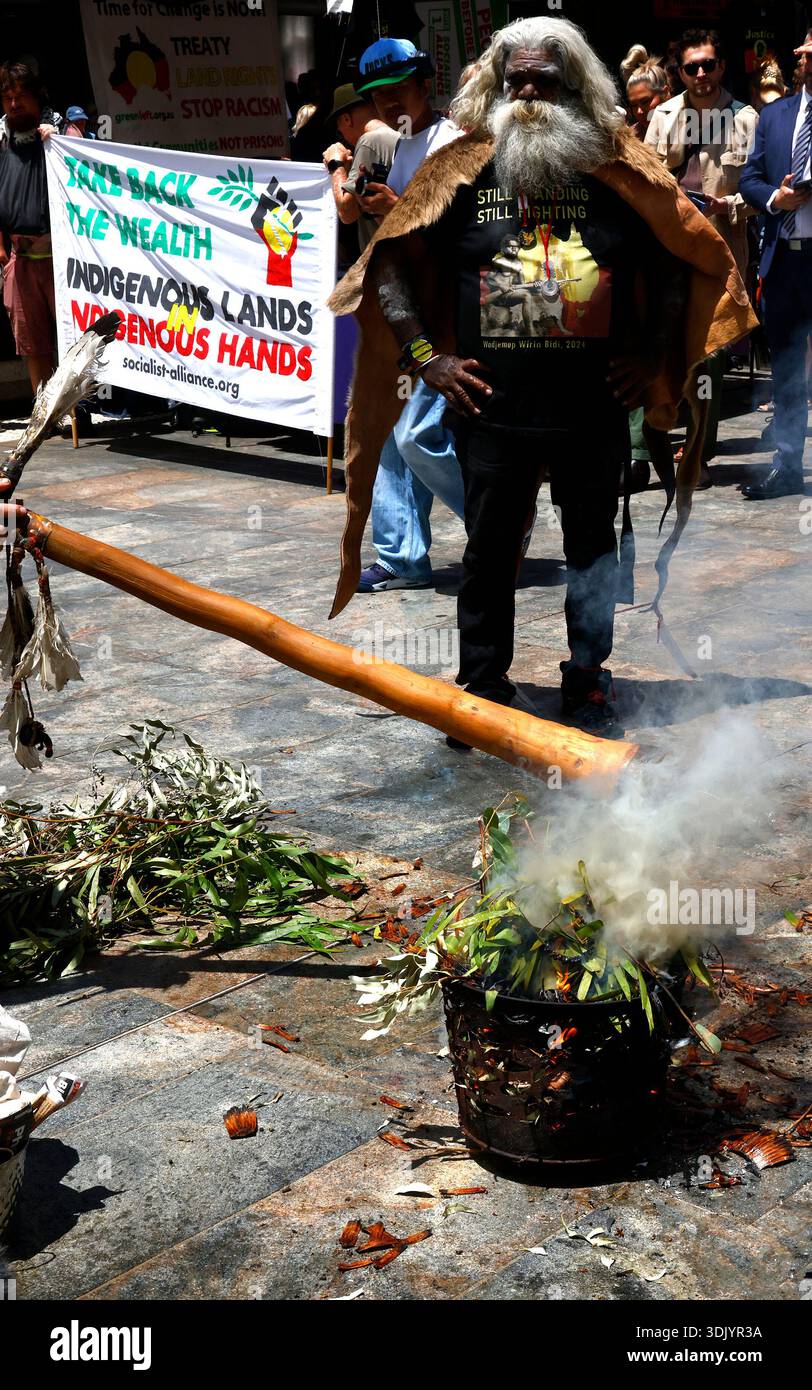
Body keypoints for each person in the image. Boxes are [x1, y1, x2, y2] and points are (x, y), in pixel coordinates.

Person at [328, 16, 756, 733]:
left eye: (544, 81)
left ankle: (588, 678)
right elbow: (394, 262)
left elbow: (674, 261)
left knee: (591, 553)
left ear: (574, 87)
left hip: (592, 407)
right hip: (491, 407)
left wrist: (652, 355)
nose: (528, 93)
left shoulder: (618, 167)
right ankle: (482, 686)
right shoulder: (459, 170)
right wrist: (426, 358)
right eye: (515, 79)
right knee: (490, 554)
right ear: (497, 85)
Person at [350, 38, 465, 593]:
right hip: (405, 315)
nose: (387, 103)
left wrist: (398, 212)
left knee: (418, 433)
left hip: (448, 319)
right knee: (393, 435)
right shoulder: (403, 147)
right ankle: (403, 557)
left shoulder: (455, 141)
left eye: (397, 90)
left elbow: (472, 232)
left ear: (425, 83)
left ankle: (498, 524)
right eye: (376, 97)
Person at [646, 29, 758, 486]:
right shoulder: (664, 116)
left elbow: (759, 187)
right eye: (691, 67)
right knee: (654, 341)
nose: (701, 75)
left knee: (709, 351)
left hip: (721, 250)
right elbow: (647, 182)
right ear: (681, 72)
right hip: (668, 250)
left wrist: (729, 206)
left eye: (708, 65)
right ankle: (644, 451)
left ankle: (699, 453)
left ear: (721, 67)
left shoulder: (746, 118)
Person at [739, 30, 812, 500]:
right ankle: (787, 465)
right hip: (786, 262)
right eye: (802, 47)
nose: (801, 54)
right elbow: (750, 179)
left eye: (811, 47)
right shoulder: (775, 114)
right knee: (786, 368)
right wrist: (775, 198)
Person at [0, 63, 60, 398]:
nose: (13, 104)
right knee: (31, 343)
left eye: (20, 96)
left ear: (37, 97)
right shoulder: (0, 140)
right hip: (20, 261)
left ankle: (71, 410)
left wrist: (57, 140)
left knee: (69, 338)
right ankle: (44, 411)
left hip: (62, 260)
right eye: (7, 97)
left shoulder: (61, 135)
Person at [322, 83, 400, 256]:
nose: (342, 135)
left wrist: (336, 165)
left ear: (346, 119)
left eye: (339, 130)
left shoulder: (369, 141)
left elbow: (347, 212)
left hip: (384, 260)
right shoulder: (398, 136)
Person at [620, 45, 670, 140]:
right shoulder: (631, 140)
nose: (639, 111)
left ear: (665, 93)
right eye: (634, 105)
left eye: (645, 101)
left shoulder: (690, 128)